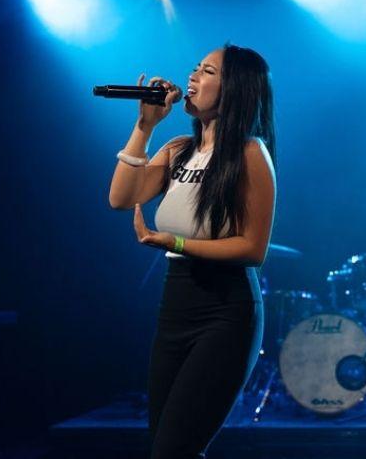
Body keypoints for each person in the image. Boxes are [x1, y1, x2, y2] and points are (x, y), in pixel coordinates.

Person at [108, 44, 276, 459]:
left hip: (226, 310)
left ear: (234, 88)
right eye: (195, 69)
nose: (193, 78)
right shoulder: (179, 148)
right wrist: (145, 127)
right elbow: (120, 197)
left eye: (207, 71)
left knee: (175, 449)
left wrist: (177, 243)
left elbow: (253, 249)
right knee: (165, 446)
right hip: (176, 304)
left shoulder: (250, 154)